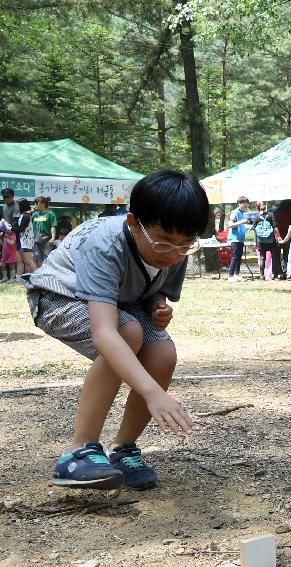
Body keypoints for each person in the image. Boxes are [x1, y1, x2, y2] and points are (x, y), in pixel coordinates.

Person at [23, 169, 206, 491]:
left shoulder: (175, 247)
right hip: (58, 298)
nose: (175, 254)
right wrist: (154, 394)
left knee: (163, 352)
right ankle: (78, 451)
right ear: (133, 223)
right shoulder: (104, 243)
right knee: (129, 333)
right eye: (164, 243)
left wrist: (157, 306)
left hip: (123, 306)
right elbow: (105, 332)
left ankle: (123, 449)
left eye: (185, 245)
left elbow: (154, 287)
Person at [252, 202, 283, 281]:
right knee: (274, 256)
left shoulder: (256, 217)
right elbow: (275, 227)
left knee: (262, 257)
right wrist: (279, 236)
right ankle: (273, 274)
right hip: (271, 240)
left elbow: (255, 231)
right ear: (265, 206)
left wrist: (255, 241)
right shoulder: (270, 215)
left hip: (260, 241)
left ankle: (262, 275)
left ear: (257, 208)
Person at [226, 196, 250, 283]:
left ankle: (236, 274)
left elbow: (239, 225)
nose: (247, 206)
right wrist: (242, 222)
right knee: (235, 257)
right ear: (241, 203)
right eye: (246, 203)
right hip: (234, 239)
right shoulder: (235, 212)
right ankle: (230, 275)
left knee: (239, 257)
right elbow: (230, 225)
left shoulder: (242, 213)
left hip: (240, 239)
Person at [31, 196, 57, 267]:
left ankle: (47, 275)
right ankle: (40, 274)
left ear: (43, 203)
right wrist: (31, 211)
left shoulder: (50, 214)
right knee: (37, 258)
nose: (35, 205)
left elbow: (53, 226)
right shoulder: (35, 214)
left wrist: (53, 238)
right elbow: (26, 222)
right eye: (35, 203)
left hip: (47, 240)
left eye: (37, 203)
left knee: (47, 257)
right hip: (35, 240)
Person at [15, 199, 36, 280]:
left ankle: (37, 278)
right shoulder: (23, 215)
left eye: (18, 204)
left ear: (21, 205)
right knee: (20, 260)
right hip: (22, 241)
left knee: (29, 261)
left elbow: (20, 229)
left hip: (26, 241)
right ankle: (18, 279)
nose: (16, 206)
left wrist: (10, 228)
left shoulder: (26, 216)